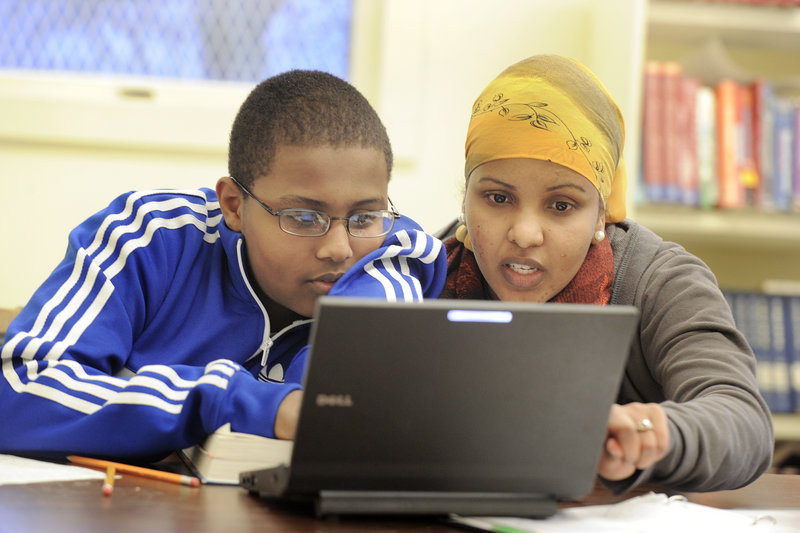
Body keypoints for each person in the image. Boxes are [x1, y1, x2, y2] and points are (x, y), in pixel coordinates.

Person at [0, 70, 445, 460]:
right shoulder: (147, 237)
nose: (339, 249)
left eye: (364, 216)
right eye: (304, 218)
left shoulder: (391, 255)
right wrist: (228, 401)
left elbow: (347, 407)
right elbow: (18, 390)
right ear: (233, 205)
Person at [437, 55, 773, 493]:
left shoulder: (659, 281)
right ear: (466, 199)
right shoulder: (426, 270)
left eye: (561, 206)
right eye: (498, 198)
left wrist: (652, 431)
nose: (524, 234)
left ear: (601, 215)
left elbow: (742, 418)